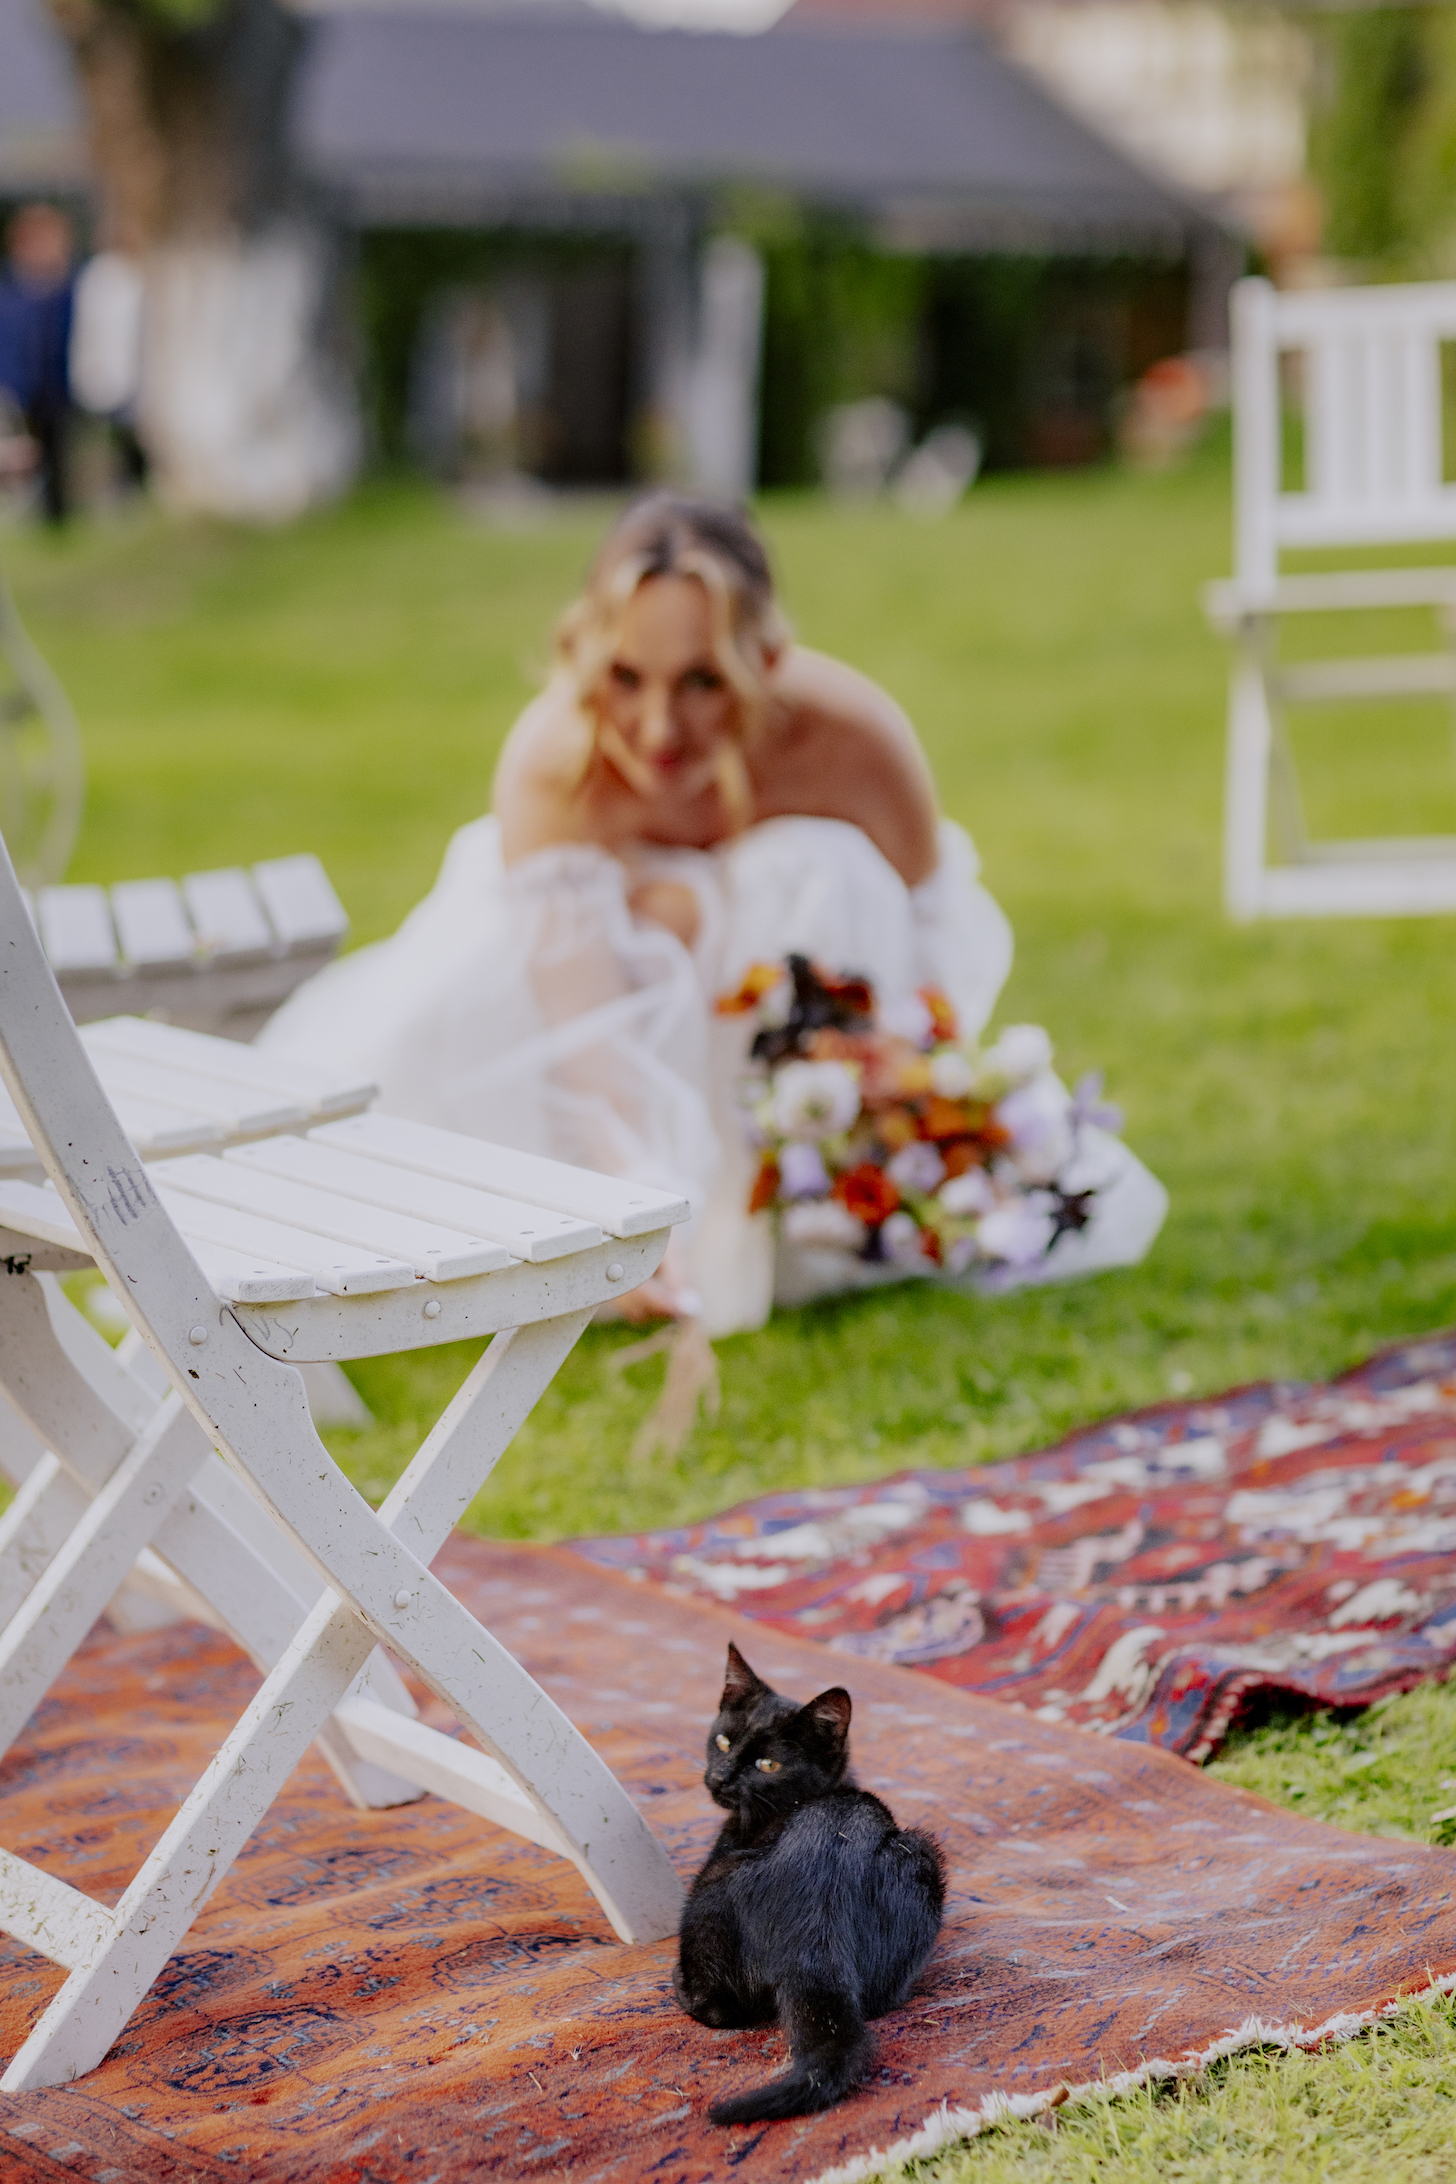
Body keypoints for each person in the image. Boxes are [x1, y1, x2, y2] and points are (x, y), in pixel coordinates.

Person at [262, 495, 1165, 1352]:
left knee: (822, 868)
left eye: (701, 682)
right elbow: (588, 1032)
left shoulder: (854, 739)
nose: (659, 729)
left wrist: (911, 1099)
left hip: (788, 1029)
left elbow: (929, 952)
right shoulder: (552, 763)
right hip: (567, 1011)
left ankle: (792, 1190)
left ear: (765, 661)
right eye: (625, 678)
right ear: (583, 656)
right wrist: (631, 1205)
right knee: (472, 1009)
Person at [0, 205, 76, 526]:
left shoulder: (70, 288)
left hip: (59, 386)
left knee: (57, 453)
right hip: (17, 386)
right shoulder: (10, 292)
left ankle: (57, 514)